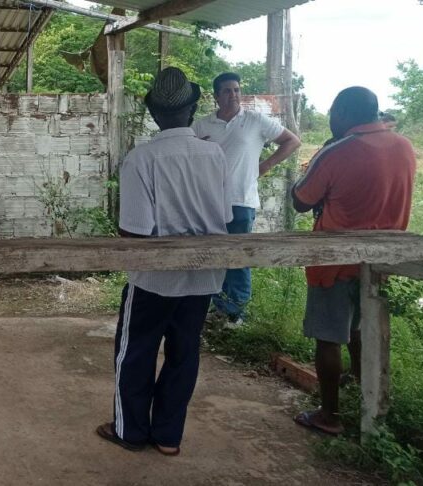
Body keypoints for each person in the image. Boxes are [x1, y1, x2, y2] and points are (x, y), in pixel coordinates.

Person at [95, 67, 232, 455]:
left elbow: (134, 231)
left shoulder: (142, 159)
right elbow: (222, 217)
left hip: (155, 279)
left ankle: (132, 432)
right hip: (204, 274)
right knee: (184, 353)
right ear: (192, 110)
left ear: (154, 114)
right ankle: (168, 437)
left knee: (135, 352)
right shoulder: (215, 155)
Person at [291, 87, 415, 436]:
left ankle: (329, 416)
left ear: (344, 112)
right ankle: (367, 402)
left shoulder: (339, 150)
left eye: (332, 112)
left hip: (334, 261)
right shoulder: (404, 146)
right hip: (379, 261)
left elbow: (301, 201)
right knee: (360, 329)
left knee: (328, 338)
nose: (330, 119)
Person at [193, 72, 302, 327]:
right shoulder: (201, 126)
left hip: (241, 199)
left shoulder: (255, 120)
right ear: (217, 96)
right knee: (211, 256)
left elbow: (292, 141)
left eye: (237, 90)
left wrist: (264, 166)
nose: (234, 95)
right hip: (208, 202)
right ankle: (215, 308)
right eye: (227, 91)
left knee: (239, 258)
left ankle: (235, 313)